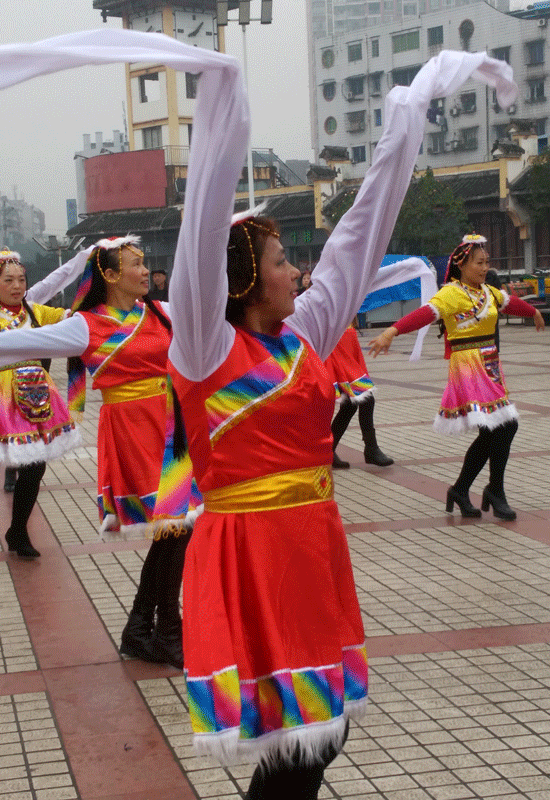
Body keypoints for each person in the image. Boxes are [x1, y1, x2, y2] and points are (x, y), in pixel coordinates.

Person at [166, 42, 516, 798]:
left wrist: (408, 115)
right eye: (285, 258)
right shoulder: (204, 347)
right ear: (248, 277)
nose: (302, 269)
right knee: (296, 742)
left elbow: (362, 231)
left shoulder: (306, 332)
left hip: (310, 546)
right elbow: (199, 242)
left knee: (319, 730)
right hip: (248, 553)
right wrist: (224, 115)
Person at [0, 235, 201, 669]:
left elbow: (215, 311)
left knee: (177, 531)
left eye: (144, 264)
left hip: (170, 428)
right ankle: (160, 630)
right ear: (109, 274)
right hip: (132, 430)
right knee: (176, 530)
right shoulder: (86, 324)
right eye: (136, 263)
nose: (146, 271)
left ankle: (147, 629)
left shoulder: (160, 311)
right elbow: (5, 345)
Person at [369, 234, 545, 521]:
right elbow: (426, 313)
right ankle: (493, 490)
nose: (484, 267)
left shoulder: (487, 292)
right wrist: (392, 331)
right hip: (469, 367)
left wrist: (534, 311)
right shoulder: (452, 293)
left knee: (496, 429)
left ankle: (463, 489)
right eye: (479, 262)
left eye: (487, 262)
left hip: (490, 365)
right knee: (506, 424)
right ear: (462, 265)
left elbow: (509, 303)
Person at [0, 249, 82, 557]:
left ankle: (17, 528)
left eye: (21, 279)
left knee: (37, 468)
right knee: (28, 463)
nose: (17, 285)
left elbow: (74, 319)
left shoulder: (36, 311)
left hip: (39, 393)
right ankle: (18, 531)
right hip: (6, 395)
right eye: (9, 280)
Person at [326, 325, 394, 469]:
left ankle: (328, 451)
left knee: (350, 406)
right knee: (366, 397)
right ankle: (371, 448)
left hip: (345, 346)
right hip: (335, 349)